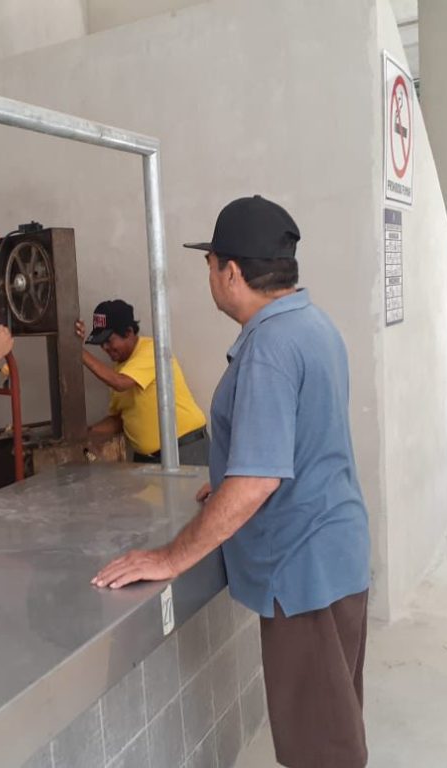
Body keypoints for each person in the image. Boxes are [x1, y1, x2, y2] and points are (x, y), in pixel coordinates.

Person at [91, 196, 371, 768]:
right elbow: (302, 439)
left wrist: (170, 557)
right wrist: (227, 475)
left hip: (303, 573)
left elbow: (259, 481)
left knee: (320, 751)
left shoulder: (269, 346)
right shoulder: (311, 324)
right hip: (335, 552)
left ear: (233, 273)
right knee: (331, 729)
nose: (210, 276)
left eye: (211, 264)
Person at [75, 299, 209, 466]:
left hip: (185, 450)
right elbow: (120, 420)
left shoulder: (152, 350)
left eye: (109, 341)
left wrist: (76, 350)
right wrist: (87, 433)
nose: (105, 348)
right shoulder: (119, 370)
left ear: (128, 332)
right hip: (148, 460)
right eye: (101, 343)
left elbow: (120, 383)